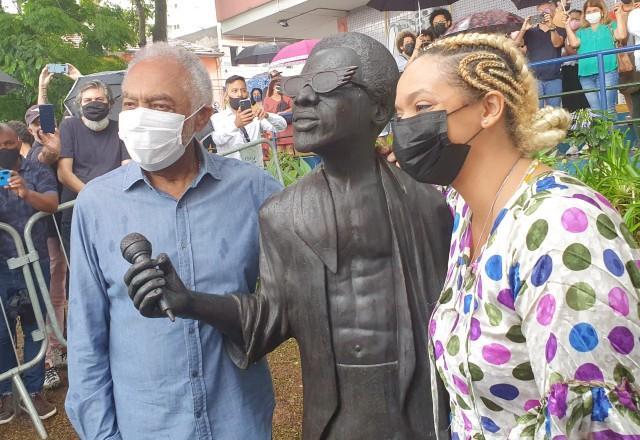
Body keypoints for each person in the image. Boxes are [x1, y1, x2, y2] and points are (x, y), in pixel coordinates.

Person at [125, 32, 452, 439]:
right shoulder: (283, 215)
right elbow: (269, 319)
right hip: (337, 417)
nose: (304, 100)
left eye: (328, 84)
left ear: (379, 108)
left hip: (420, 409)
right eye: (300, 87)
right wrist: (190, 302)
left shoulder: (429, 207)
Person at [391, 32, 640, 438]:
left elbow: (595, 425)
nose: (405, 130)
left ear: (489, 107)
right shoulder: (464, 215)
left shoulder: (563, 230)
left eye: (422, 107)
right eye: (399, 115)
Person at [65, 43, 281, 440]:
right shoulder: (96, 205)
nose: (139, 117)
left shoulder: (255, 192)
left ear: (199, 118)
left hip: (238, 421)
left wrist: (206, 307)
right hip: (147, 425)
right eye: (130, 104)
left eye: (160, 106)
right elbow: (85, 339)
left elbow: (285, 309)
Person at [0, 123, 58, 424]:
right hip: (1, 267)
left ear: (17, 142)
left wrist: (26, 193)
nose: (4, 150)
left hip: (34, 263)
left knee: (36, 327)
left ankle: (34, 390)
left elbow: (52, 203)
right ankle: (6, 393)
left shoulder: (36, 169)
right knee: (2, 333)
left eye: (9, 144)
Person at [57, 80, 130, 258]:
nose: (93, 103)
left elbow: (127, 168)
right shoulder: (69, 126)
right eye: (87, 100)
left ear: (110, 103)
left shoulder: (121, 127)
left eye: (99, 99)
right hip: (77, 212)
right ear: (80, 105)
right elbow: (64, 173)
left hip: (115, 212)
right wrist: (94, 196)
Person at [565, 0, 628, 112]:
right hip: (585, 74)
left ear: (602, 11)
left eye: (594, 10)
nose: (591, 13)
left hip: (607, 71)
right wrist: (567, 27)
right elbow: (574, 43)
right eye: (588, 12)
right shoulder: (581, 31)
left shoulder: (610, 25)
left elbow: (622, 35)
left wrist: (619, 15)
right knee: (596, 111)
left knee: (608, 110)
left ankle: (612, 130)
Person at [211, 75, 286, 161]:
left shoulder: (255, 116)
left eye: (243, 90)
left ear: (247, 93)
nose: (240, 94)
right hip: (231, 170)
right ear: (226, 95)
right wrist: (235, 125)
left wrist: (267, 115)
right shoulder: (217, 118)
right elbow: (217, 140)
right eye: (234, 91)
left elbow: (282, 126)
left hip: (255, 168)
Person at [515, 1, 567, 107]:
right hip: (534, 78)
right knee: (536, 111)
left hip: (554, 78)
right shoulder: (530, 32)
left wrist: (551, 27)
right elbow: (514, 46)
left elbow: (557, 44)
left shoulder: (560, 30)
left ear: (553, 12)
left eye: (547, 11)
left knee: (554, 111)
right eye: (540, 11)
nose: (543, 14)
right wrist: (523, 29)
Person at [561, 9, 591, 112]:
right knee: (570, 100)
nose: (573, 21)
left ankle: (586, 125)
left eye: (576, 19)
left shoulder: (585, 34)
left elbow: (575, 53)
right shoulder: (563, 33)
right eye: (571, 19)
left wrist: (568, 48)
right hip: (566, 71)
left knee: (583, 99)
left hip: (580, 69)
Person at [263, 78, 294, 154]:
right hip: (275, 129)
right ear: (273, 86)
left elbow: (294, 108)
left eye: (280, 85)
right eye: (277, 85)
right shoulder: (267, 100)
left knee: (290, 150)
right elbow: (265, 114)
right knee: (279, 152)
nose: (278, 87)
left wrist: (283, 112)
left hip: (288, 127)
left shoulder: (287, 97)